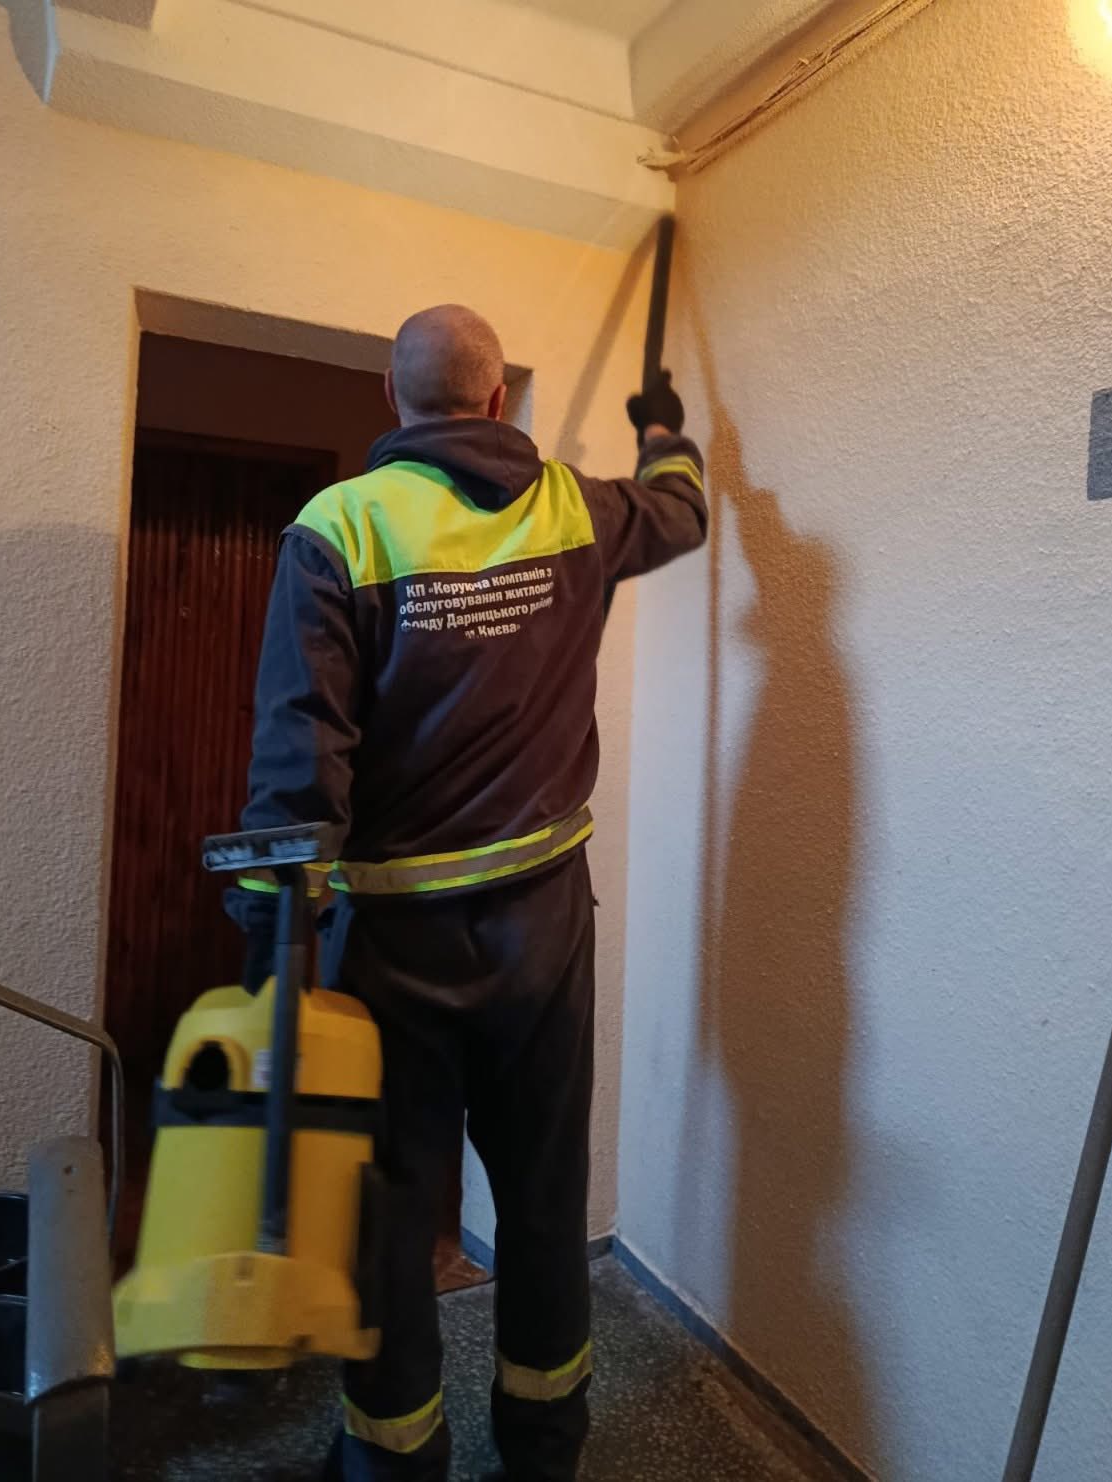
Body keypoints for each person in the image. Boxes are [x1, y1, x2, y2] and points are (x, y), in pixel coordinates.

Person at [226, 305, 706, 1482]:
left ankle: (395, 1459)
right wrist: (665, 433)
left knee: (387, 1217)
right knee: (543, 1201)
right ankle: (544, 1452)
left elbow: (301, 759)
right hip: (544, 931)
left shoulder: (339, 526)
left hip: (394, 949)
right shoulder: (574, 509)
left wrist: (270, 938)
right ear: (496, 401)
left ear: (392, 400)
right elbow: (683, 511)